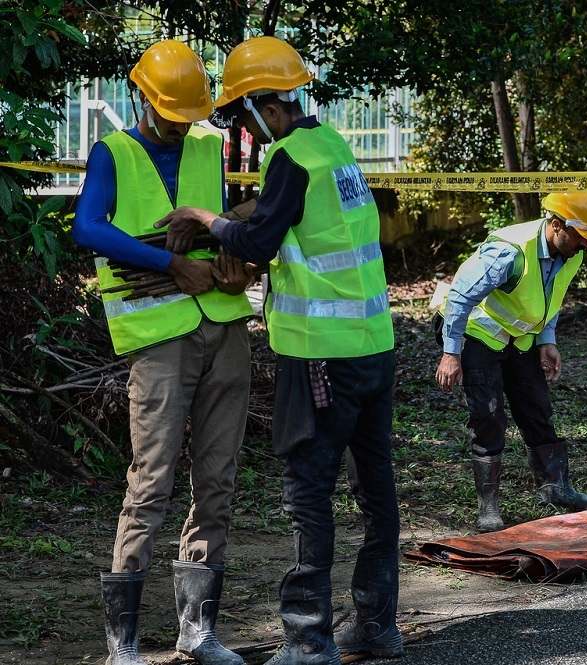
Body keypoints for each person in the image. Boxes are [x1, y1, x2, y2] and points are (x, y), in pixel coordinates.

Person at [153, 36, 401, 665]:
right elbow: (294, 220)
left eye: (240, 114)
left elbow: (261, 239)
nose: (242, 128)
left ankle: (308, 638)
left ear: (267, 103)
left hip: (319, 356)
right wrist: (244, 214)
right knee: (376, 491)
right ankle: (376, 623)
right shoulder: (332, 147)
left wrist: (208, 220)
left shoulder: (289, 155)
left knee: (308, 491)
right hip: (374, 348)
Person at [72, 40, 255, 665]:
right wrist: (170, 264)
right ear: (143, 99)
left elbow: (226, 224)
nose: (182, 125)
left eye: (189, 115)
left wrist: (235, 268)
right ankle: (122, 646)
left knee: (218, 482)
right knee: (150, 482)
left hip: (225, 327)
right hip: (159, 342)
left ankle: (197, 633)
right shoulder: (114, 152)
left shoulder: (209, 145)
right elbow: (88, 228)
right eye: (172, 114)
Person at [434, 192, 587, 533]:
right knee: (489, 414)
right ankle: (489, 508)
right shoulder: (509, 252)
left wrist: (547, 341)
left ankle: (556, 490)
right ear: (557, 226)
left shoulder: (571, 251)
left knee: (536, 407)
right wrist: (451, 353)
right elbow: (460, 295)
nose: (586, 245)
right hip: (474, 333)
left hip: (519, 338)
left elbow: (551, 299)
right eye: (581, 237)